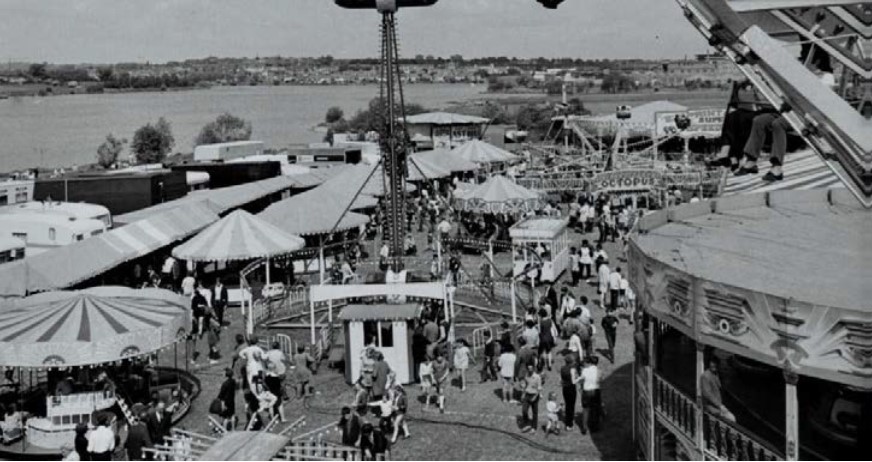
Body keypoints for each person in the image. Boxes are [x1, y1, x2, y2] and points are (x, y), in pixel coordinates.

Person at [701, 357, 736, 422]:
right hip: (712, 408)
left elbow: (720, 387)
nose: (713, 365)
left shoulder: (716, 374)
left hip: (719, 405)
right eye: (712, 363)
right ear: (709, 363)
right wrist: (720, 406)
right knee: (732, 418)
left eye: (715, 363)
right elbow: (707, 394)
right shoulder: (705, 376)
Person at [265, 342, 288, 422]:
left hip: (270, 388)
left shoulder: (269, 352)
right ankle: (284, 395)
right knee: (282, 384)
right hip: (280, 371)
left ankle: (272, 418)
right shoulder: (280, 353)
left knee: (271, 403)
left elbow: (265, 358)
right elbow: (284, 359)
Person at [580, 356, 602, 434]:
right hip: (595, 390)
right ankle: (594, 427)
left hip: (586, 391)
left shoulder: (585, 370)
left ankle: (584, 427)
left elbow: (582, 380)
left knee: (586, 410)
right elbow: (599, 380)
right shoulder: (598, 371)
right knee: (595, 409)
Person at [561, 355, 582, 429]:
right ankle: (569, 423)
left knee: (567, 405)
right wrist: (579, 378)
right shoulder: (572, 369)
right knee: (571, 406)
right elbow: (573, 381)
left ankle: (568, 421)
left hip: (565, 388)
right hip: (571, 388)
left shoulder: (562, 368)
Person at [520, 364, 542, 433]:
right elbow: (525, 385)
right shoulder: (526, 376)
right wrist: (523, 394)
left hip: (534, 395)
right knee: (524, 410)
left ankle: (534, 427)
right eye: (528, 369)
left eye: (531, 368)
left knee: (534, 412)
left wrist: (535, 397)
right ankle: (527, 424)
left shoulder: (537, 377)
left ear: (533, 369)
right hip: (527, 394)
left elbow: (539, 388)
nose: (530, 370)